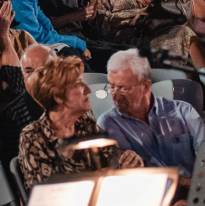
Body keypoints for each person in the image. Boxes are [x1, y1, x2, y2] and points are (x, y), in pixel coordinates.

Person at [19, 56, 140, 190]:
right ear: (58, 96)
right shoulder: (33, 137)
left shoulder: (86, 124)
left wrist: (128, 162)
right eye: (78, 84)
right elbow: (47, 195)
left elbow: (113, 158)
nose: (88, 90)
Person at [98, 48, 205, 175]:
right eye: (112, 87)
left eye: (123, 88)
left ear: (145, 86)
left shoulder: (183, 111)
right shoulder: (108, 123)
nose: (115, 95)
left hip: (192, 189)